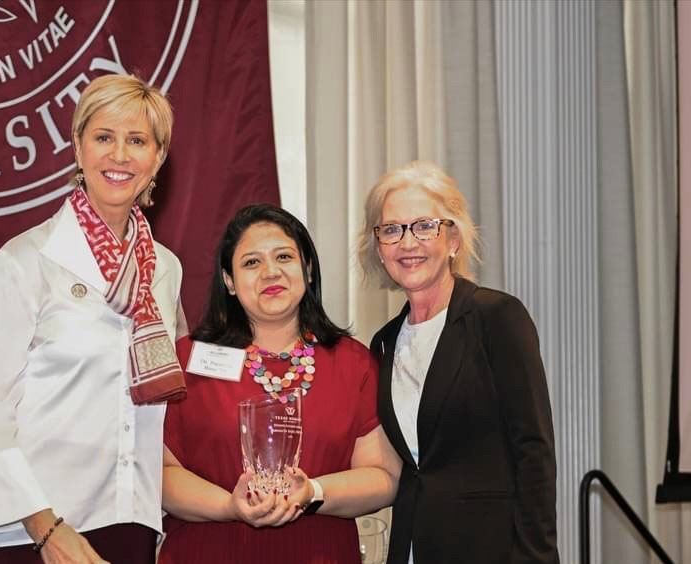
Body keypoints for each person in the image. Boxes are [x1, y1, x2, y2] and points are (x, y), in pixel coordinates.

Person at [0, 74, 186, 564]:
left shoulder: (166, 270)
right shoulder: (25, 259)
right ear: (78, 147)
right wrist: (47, 528)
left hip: (132, 519)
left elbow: (169, 403)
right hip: (35, 530)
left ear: (158, 159)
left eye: (138, 141)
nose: (120, 156)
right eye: (104, 137)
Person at [159, 204, 401, 563]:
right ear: (228, 280)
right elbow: (158, 476)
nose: (270, 272)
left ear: (307, 268)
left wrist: (312, 492)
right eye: (251, 263)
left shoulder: (353, 363)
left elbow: (384, 478)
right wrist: (230, 506)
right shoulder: (186, 361)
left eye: (284, 256)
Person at [360, 161, 559, 564]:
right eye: (392, 229)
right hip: (412, 548)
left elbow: (533, 451)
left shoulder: (497, 318)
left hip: (492, 550)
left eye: (423, 226)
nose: (407, 242)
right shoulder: (382, 343)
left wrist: (537, 557)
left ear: (452, 239)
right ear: (379, 249)